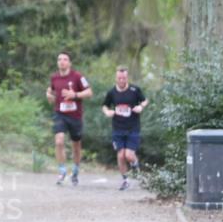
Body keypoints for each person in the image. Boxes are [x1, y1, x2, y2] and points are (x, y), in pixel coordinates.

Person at [45, 51, 92, 185]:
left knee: (76, 145)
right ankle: (62, 171)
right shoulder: (54, 77)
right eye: (59, 59)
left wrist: (75, 95)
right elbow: (51, 91)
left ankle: (75, 171)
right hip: (60, 113)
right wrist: (48, 95)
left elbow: (89, 92)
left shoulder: (77, 76)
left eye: (65, 59)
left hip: (75, 116)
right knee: (59, 141)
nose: (62, 62)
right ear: (57, 62)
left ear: (69, 63)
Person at [101, 66, 147, 190]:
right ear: (116, 78)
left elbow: (144, 100)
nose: (122, 80)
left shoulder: (134, 90)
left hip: (133, 127)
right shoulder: (111, 93)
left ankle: (135, 166)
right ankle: (125, 180)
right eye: (119, 78)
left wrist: (141, 107)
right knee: (121, 155)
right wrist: (107, 112)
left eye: (124, 78)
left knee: (129, 156)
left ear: (127, 77)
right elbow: (104, 106)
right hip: (117, 128)